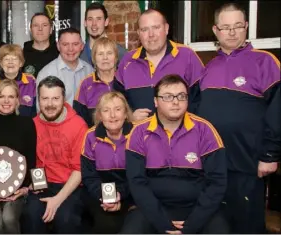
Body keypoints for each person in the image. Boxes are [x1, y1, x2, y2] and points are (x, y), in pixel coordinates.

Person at [194, 3, 280, 233]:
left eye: (237, 26)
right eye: (225, 27)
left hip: (248, 165)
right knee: (219, 225)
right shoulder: (208, 67)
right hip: (213, 165)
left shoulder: (266, 62)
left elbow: (277, 111)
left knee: (247, 226)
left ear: (247, 27)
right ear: (215, 30)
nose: (231, 32)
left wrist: (270, 154)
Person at [121, 75, 229, 234]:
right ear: (156, 102)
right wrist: (163, 223)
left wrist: (192, 225)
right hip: (151, 209)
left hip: (198, 209)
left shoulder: (205, 130)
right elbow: (137, 183)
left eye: (181, 96)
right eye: (168, 96)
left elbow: (217, 182)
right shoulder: (138, 132)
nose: (176, 101)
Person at [23, 76, 88, 233]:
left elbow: (79, 171)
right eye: (45, 98)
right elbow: (29, 160)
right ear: (38, 99)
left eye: (55, 98)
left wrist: (57, 200)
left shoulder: (78, 125)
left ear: (63, 98)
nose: (50, 104)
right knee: (31, 215)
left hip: (70, 186)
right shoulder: (33, 124)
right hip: (42, 184)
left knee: (65, 219)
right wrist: (29, 182)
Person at [115, 9, 204, 121]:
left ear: (166, 29)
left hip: (180, 135)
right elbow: (117, 101)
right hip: (140, 136)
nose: (151, 35)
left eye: (156, 28)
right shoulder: (127, 61)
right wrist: (129, 116)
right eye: (145, 29)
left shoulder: (187, 56)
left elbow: (201, 100)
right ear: (139, 34)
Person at [0, 79, 37, 233]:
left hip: (17, 190)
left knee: (9, 218)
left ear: (17, 100)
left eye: (11, 96)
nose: (6, 101)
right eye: (2, 96)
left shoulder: (27, 124)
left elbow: (31, 160)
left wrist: (24, 189)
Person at [81, 91, 133, 234]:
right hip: (99, 194)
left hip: (131, 193)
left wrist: (119, 195)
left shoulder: (137, 135)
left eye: (118, 109)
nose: (112, 115)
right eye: (106, 110)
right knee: (107, 225)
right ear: (99, 116)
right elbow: (89, 176)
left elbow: (140, 175)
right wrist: (106, 197)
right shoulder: (90, 136)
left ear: (126, 114)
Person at [36, 28, 94, 109]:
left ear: (82, 46)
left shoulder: (90, 71)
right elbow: (42, 110)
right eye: (65, 44)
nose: (70, 49)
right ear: (58, 46)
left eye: (75, 44)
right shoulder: (46, 74)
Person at [0, 44, 37, 118]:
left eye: (14, 59)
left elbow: (36, 110)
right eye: (6, 59)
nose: (10, 62)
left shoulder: (31, 81)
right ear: (0, 63)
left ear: (21, 63)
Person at [74, 37, 120, 127]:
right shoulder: (86, 84)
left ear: (116, 57)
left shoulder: (124, 80)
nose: (105, 58)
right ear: (94, 58)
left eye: (109, 53)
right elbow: (79, 118)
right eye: (100, 54)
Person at [80, 2, 127, 67]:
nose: (94, 24)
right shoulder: (79, 54)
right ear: (85, 23)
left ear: (106, 22)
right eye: (90, 19)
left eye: (98, 19)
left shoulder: (119, 52)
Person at [22, 13, 59, 78]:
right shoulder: (21, 55)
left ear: (50, 30)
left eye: (44, 25)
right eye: (36, 25)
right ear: (31, 30)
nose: (40, 29)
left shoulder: (60, 53)